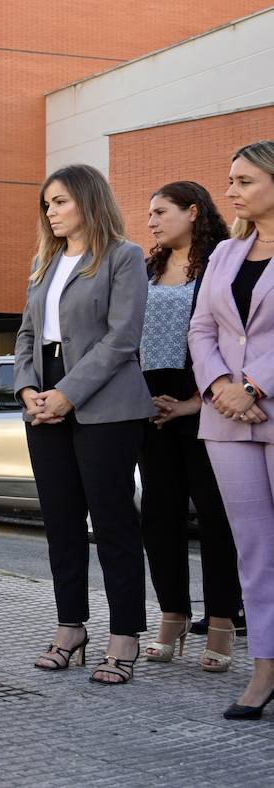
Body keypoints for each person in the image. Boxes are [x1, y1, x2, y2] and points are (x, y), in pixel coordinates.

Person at [15, 164, 152, 685]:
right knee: (61, 522)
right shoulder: (42, 263)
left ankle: (124, 636)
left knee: (113, 522)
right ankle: (70, 627)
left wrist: (67, 395)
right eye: (47, 204)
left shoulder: (124, 257)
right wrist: (29, 389)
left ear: (89, 201)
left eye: (61, 201)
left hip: (105, 404)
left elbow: (122, 339)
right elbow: (26, 333)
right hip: (43, 400)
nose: (51, 212)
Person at [137, 182, 241, 672]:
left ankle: (221, 622)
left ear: (193, 211)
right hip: (150, 407)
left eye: (161, 212)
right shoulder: (146, 268)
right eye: (150, 214)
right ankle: (172, 616)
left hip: (206, 401)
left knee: (216, 518)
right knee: (159, 516)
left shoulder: (223, 262)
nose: (152, 221)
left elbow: (227, 338)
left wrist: (193, 402)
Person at [189, 140, 274, 719]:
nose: (231, 191)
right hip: (225, 419)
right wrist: (221, 385)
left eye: (243, 180)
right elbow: (201, 328)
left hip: (266, 404)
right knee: (254, 550)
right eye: (229, 179)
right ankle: (265, 667)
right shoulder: (223, 253)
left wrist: (256, 385)